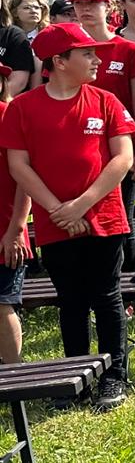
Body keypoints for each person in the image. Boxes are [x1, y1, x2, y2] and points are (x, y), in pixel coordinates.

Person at [1, 22, 135, 409]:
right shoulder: (24, 108)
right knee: (71, 300)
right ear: (59, 61)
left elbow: (122, 158)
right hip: (53, 223)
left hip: (104, 217)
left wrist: (81, 204)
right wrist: (58, 211)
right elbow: (19, 167)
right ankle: (76, 377)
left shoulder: (105, 101)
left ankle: (115, 375)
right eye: (87, 54)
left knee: (107, 296)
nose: (96, 60)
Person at [70, 0, 135, 270]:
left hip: (121, 148)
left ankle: (124, 290)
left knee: (121, 218)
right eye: (79, 3)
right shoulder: (67, 48)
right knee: (82, 217)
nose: (85, 9)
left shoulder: (127, 49)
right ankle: (91, 287)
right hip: (80, 149)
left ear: (109, 6)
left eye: (92, 3)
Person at [0, 92, 22, 366]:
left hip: (4, 228)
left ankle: (15, 375)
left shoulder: (8, 113)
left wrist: (16, 228)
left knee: (2, 304)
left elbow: (24, 175)